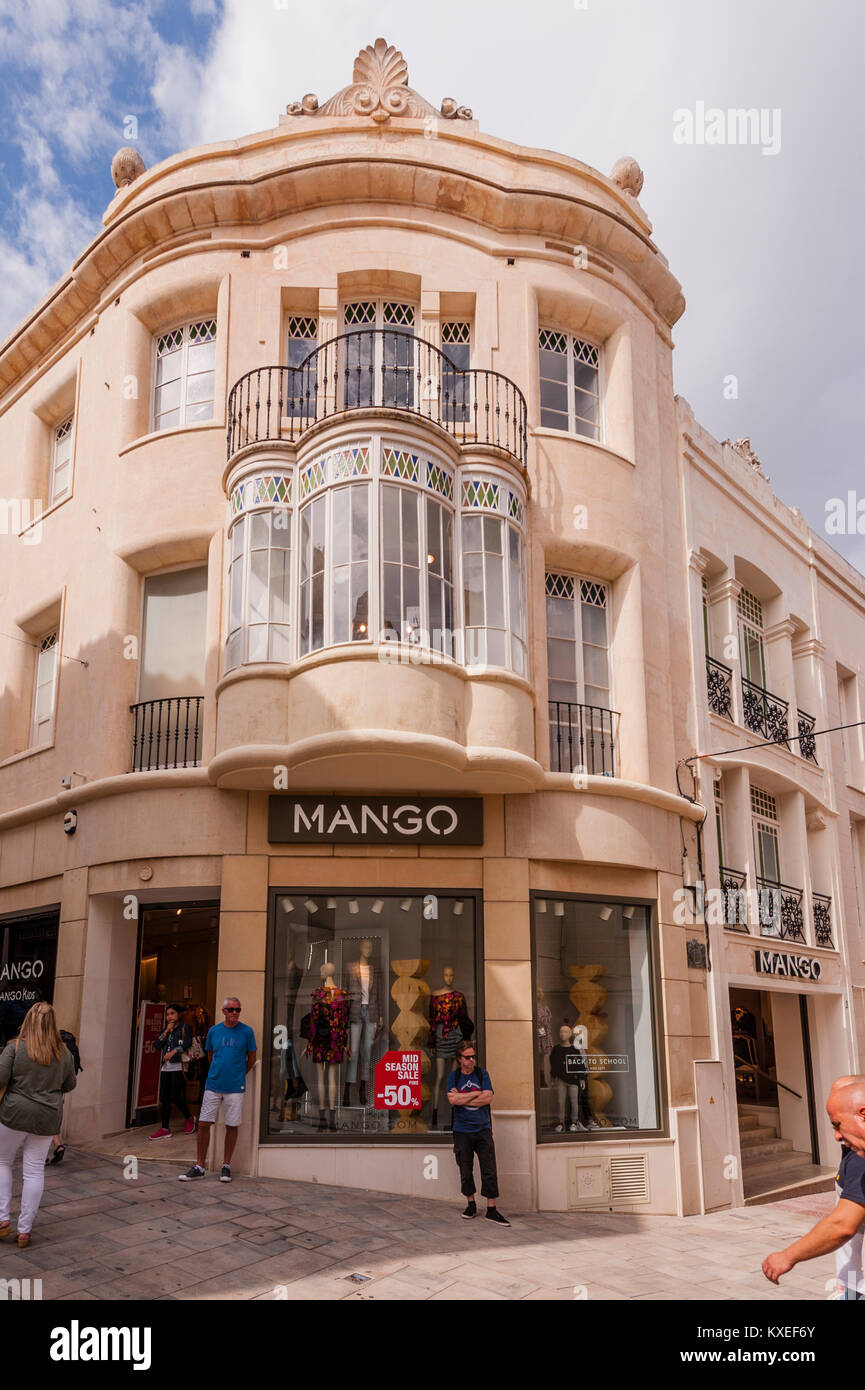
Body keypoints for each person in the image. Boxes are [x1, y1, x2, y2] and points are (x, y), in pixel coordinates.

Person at [762, 1077, 865, 1292]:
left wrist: (787, 1257)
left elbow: (842, 1226)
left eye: (838, 1124)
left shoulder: (860, 1163)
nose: (836, 1136)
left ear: (862, 1113)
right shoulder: (856, 1152)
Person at [0, 1002, 77, 1248]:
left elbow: (0, 1078)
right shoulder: (64, 1053)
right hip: (47, 1117)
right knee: (34, 1170)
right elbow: (70, 1085)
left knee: (2, 1162)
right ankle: (24, 1230)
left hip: (14, 1113)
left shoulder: (15, 1047)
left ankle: (2, 1219)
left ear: (28, 1020)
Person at [179, 996, 256, 1184]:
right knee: (204, 1124)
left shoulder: (247, 1032)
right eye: (231, 1010)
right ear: (224, 1012)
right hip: (213, 1085)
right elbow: (210, 1056)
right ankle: (199, 1166)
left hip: (235, 1087)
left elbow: (252, 1059)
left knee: (232, 1125)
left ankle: (226, 1165)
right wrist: (219, 1072)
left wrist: (238, 1075)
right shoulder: (214, 1031)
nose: (235, 1013)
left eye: (238, 1009)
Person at [447, 1040, 510, 1226]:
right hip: (462, 1130)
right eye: (468, 1057)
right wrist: (476, 1094)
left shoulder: (482, 1074)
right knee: (465, 1170)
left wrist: (463, 1097)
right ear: (460, 1059)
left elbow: (488, 1097)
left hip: (483, 1129)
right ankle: (471, 1204)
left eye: (473, 1056)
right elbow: (452, 1100)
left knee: (489, 1169)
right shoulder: (454, 1076)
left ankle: (492, 1209)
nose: (472, 1060)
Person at [149, 1004, 195, 1140]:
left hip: (178, 1066)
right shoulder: (167, 1029)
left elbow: (187, 1044)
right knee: (164, 1098)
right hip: (166, 1067)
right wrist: (165, 1032)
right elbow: (157, 1045)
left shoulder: (185, 1027)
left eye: (172, 1013)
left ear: (179, 1014)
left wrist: (174, 1051)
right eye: (168, 1014)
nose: (169, 1016)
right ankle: (165, 1128)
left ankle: (189, 1118)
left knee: (176, 1097)